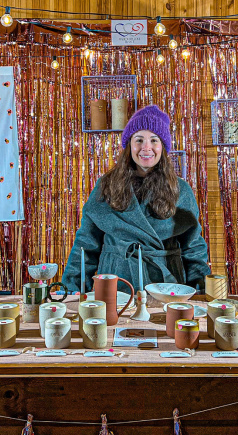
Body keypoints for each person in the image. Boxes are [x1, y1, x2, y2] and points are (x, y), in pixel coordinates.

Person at [62, 105, 211, 295]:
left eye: (154, 140)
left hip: (166, 286)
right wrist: (72, 287)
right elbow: (86, 243)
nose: (146, 148)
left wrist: (202, 289)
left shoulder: (180, 190)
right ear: (129, 145)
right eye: (139, 140)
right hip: (117, 284)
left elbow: (193, 247)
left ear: (163, 146)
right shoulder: (106, 186)